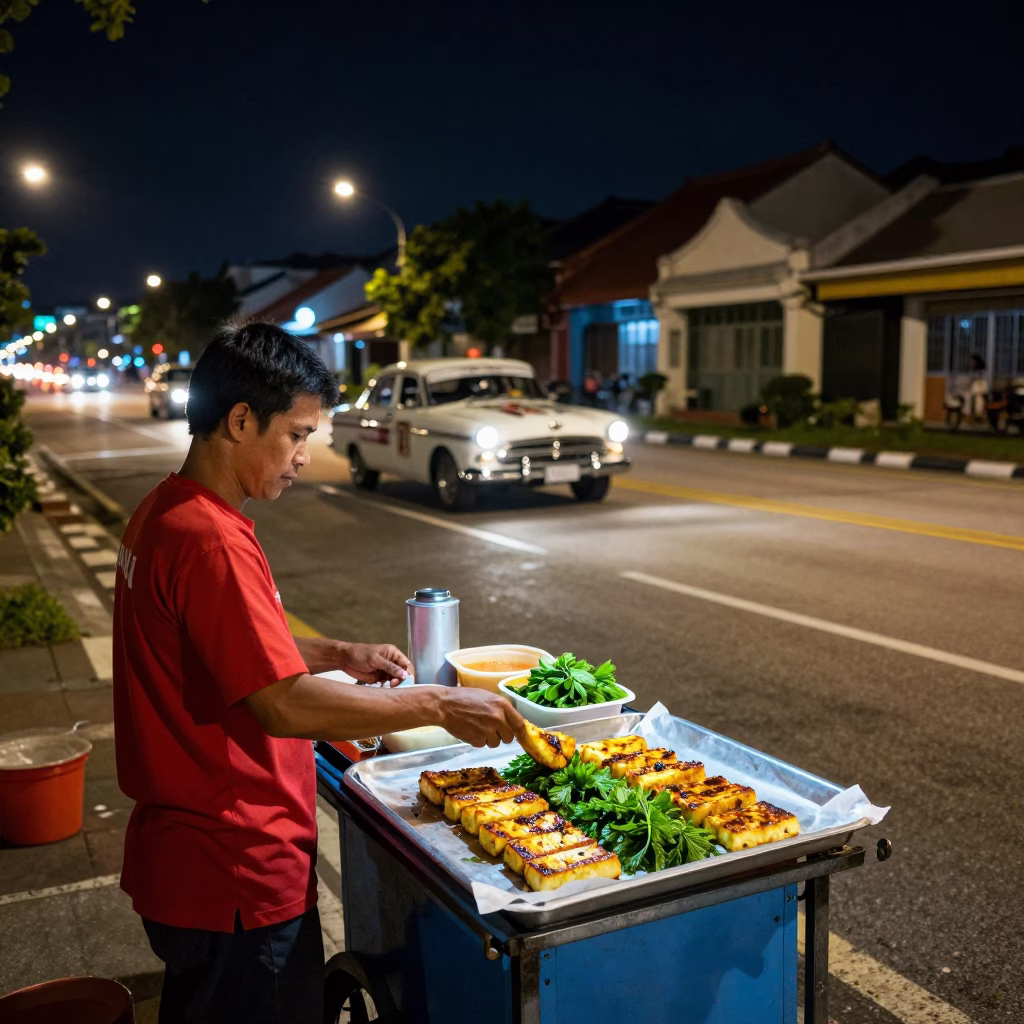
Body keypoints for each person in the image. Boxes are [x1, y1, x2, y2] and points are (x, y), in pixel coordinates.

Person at [112, 321, 524, 1024]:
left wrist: (337, 656)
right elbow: (282, 707)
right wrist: (440, 705)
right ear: (241, 420)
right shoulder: (211, 541)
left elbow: (222, 651)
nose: (305, 456)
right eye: (297, 434)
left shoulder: (167, 512)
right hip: (235, 868)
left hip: (189, 862)